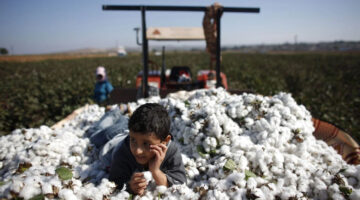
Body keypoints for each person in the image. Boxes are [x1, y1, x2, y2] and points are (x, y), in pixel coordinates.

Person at [109, 103, 186, 195]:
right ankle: (116, 111)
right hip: (111, 143)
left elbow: (179, 185)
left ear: (165, 141)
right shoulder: (122, 152)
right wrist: (130, 187)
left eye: (146, 143)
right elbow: (114, 184)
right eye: (133, 140)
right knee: (96, 132)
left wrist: (156, 171)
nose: (138, 151)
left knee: (122, 124)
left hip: (125, 132)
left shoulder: (171, 151)